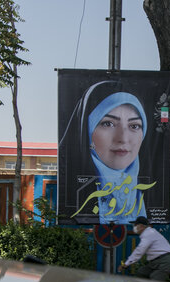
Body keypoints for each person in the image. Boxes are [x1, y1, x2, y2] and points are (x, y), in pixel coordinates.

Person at [60, 81, 152, 224]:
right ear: (87, 130)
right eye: (108, 123)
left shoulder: (155, 195)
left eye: (134, 126)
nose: (123, 138)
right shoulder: (70, 194)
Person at [118, 216, 170, 282]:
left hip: (164, 262)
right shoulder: (147, 233)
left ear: (142, 226)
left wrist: (126, 264)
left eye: (136, 225)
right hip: (155, 262)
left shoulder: (148, 234)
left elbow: (139, 251)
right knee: (141, 273)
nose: (134, 227)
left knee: (154, 280)